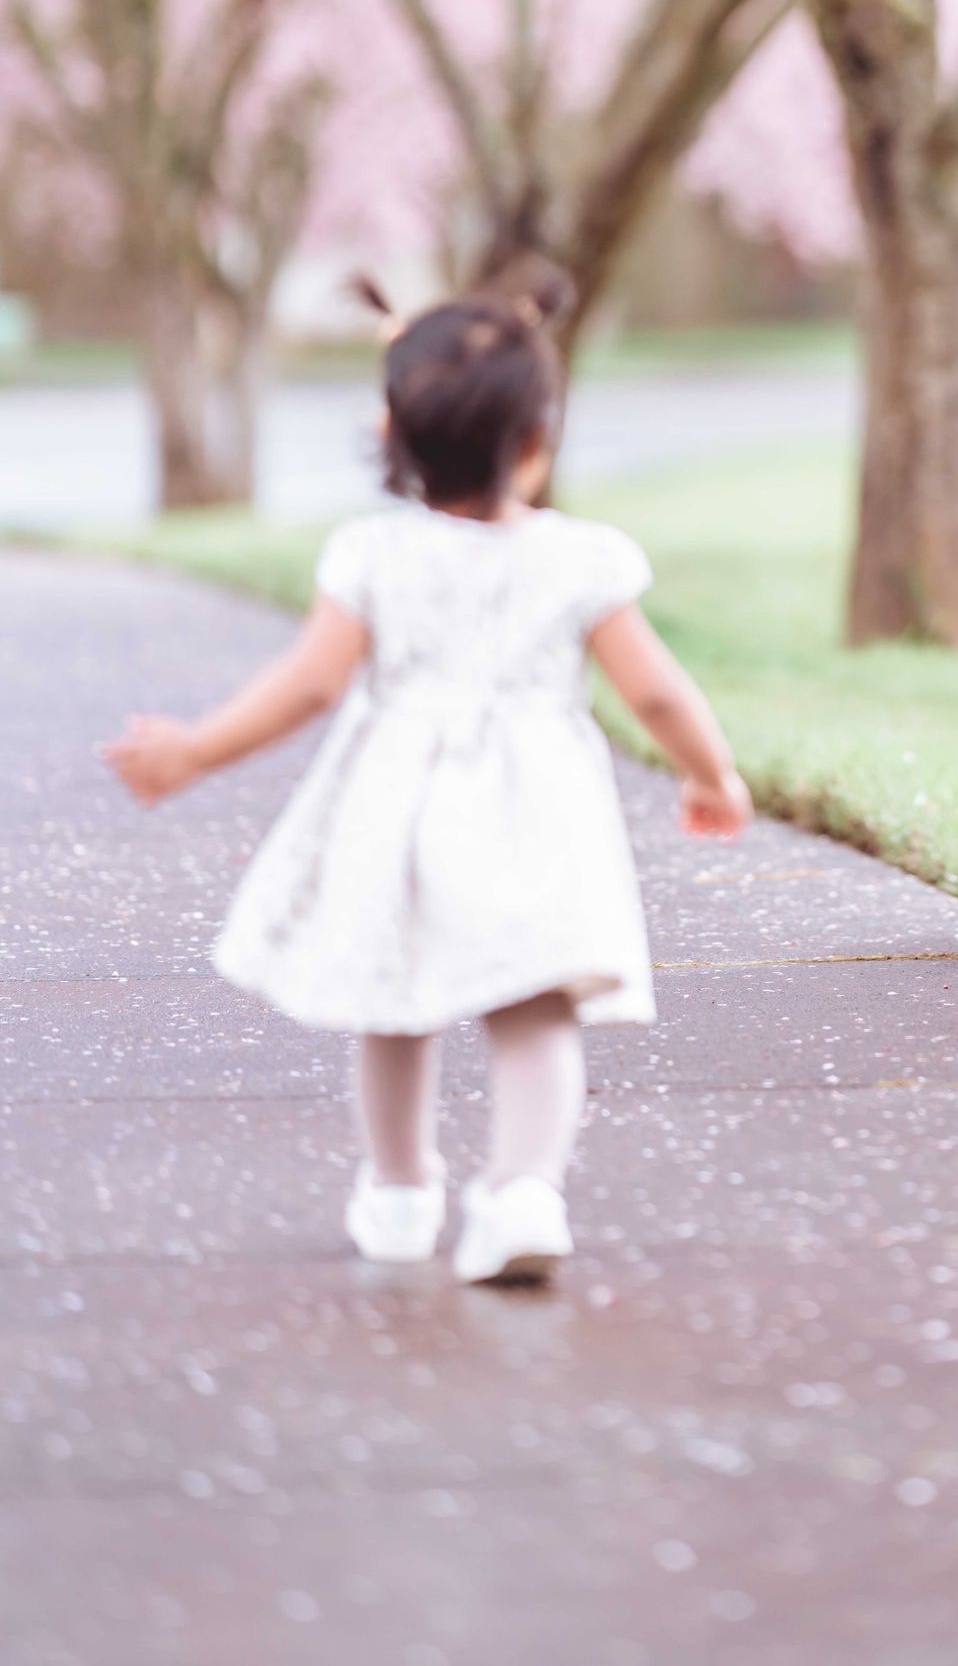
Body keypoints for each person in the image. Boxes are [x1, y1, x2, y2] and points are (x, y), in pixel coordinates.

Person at [102, 267, 752, 1283]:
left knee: (393, 1000)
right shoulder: (583, 560)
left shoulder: (371, 554)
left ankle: (402, 1192)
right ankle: (524, 1192)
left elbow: (309, 686)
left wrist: (190, 751)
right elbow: (658, 694)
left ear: (393, 442)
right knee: (536, 1007)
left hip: (395, 804)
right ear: (535, 445)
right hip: (536, 808)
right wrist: (712, 773)